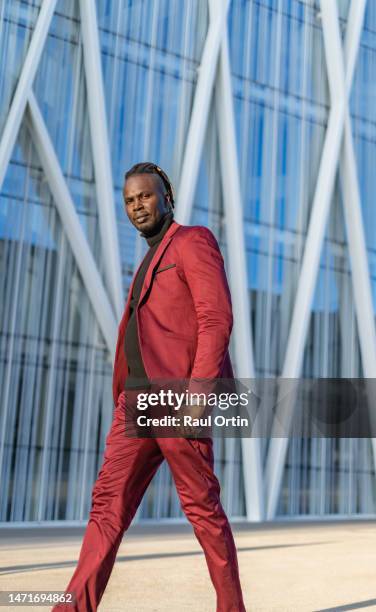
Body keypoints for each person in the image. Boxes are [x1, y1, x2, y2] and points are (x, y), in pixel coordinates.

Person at [52, 162, 246, 612]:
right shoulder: (146, 261)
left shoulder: (192, 241)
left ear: (167, 196)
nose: (137, 206)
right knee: (106, 508)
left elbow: (215, 318)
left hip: (177, 400)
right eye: (129, 200)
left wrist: (199, 396)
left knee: (203, 511)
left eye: (145, 196)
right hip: (134, 405)